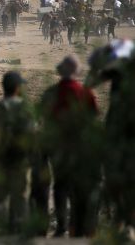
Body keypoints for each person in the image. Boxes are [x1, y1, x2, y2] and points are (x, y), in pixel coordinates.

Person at [39, 55, 100, 238]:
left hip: (57, 146)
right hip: (79, 147)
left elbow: (42, 119)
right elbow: (93, 120)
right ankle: (77, 226)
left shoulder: (51, 92)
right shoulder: (86, 92)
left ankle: (61, 226)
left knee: (60, 186)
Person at [0, 71, 34, 233]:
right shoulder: (25, 108)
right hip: (21, 162)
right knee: (21, 199)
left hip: (0, 161)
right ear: (17, 88)